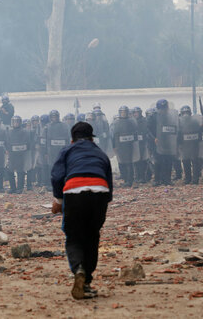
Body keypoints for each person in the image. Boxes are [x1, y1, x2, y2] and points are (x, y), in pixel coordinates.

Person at [51, 122, 113, 300]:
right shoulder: (101, 153)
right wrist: (102, 203)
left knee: (74, 235)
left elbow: (57, 176)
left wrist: (59, 200)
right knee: (92, 236)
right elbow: (109, 183)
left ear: (72, 139)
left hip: (74, 191)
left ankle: (79, 269)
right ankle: (86, 283)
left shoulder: (67, 151)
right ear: (92, 138)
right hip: (100, 191)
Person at [148, 99, 178, 186]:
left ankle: (167, 179)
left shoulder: (170, 116)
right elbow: (148, 130)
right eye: (162, 108)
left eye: (165, 108)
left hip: (168, 142)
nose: (164, 110)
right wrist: (154, 138)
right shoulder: (153, 117)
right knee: (158, 161)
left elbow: (174, 128)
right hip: (156, 142)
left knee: (168, 161)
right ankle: (157, 179)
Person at [112, 106, 138, 187]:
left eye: (125, 112)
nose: (123, 114)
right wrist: (114, 146)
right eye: (122, 112)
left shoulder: (131, 121)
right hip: (120, 146)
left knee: (129, 164)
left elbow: (135, 133)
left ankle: (129, 181)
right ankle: (125, 179)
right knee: (122, 163)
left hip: (129, 146)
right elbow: (114, 135)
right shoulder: (116, 122)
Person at [178, 105, 203, 184]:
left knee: (187, 161)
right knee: (192, 161)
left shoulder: (180, 121)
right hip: (192, 144)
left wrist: (179, 143)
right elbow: (199, 132)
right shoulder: (195, 121)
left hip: (187, 145)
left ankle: (189, 179)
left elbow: (178, 133)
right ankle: (194, 179)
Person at [6, 115, 31, 193]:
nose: (15, 123)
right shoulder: (9, 131)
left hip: (21, 154)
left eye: (17, 122)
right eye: (14, 122)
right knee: (9, 170)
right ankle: (12, 188)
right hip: (12, 154)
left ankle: (20, 188)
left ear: (20, 123)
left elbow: (27, 143)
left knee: (20, 171)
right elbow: (7, 141)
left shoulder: (24, 131)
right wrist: (7, 149)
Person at [132, 107, 150, 183]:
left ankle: (143, 177)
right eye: (134, 113)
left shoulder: (144, 120)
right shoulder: (132, 121)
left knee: (143, 161)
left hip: (143, 143)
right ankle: (137, 177)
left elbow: (146, 131)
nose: (135, 114)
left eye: (137, 112)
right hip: (135, 143)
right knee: (136, 161)